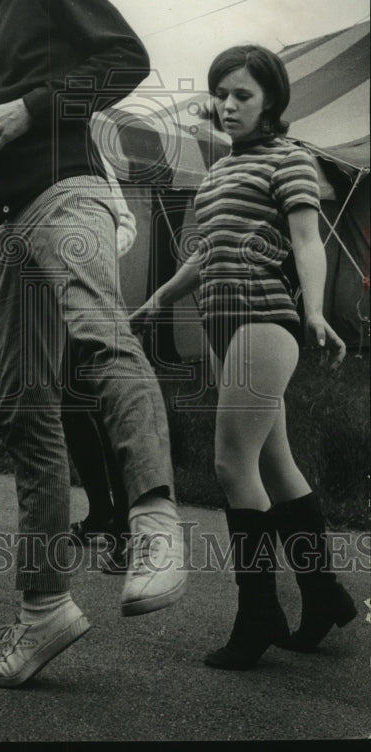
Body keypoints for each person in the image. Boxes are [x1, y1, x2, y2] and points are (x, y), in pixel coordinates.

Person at [0, 0, 187, 688]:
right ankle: (44, 609)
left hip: (74, 194)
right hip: (17, 224)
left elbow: (127, 60)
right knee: (23, 408)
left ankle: (153, 522)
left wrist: (30, 110)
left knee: (99, 333)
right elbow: (5, 142)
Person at [130, 44, 357, 670]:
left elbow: (309, 242)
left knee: (232, 464)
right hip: (223, 327)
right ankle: (324, 594)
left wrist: (313, 310)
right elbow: (204, 256)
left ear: (272, 102)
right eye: (221, 94)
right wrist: (154, 303)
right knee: (275, 465)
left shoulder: (292, 159)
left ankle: (258, 612)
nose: (228, 106)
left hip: (265, 321)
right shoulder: (218, 174)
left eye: (243, 96)